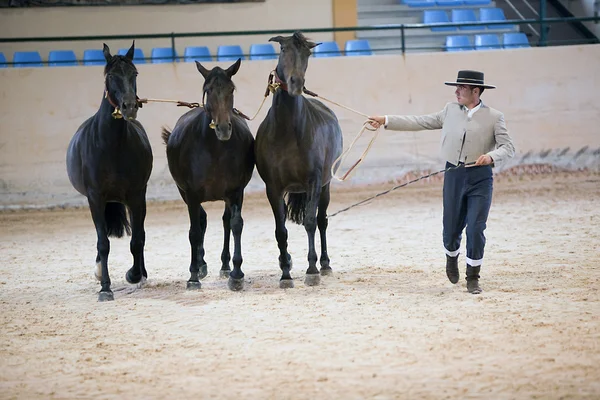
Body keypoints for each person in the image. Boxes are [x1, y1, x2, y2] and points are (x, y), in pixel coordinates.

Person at [368, 70, 515, 294]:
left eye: (461, 88)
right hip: (454, 175)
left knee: (476, 227)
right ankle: (451, 256)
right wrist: (386, 120)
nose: (456, 91)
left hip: (480, 177)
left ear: (475, 91)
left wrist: (492, 156)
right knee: (451, 227)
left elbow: (508, 147)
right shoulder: (449, 110)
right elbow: (420, 121)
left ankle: (473, 277)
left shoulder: (495, 116)